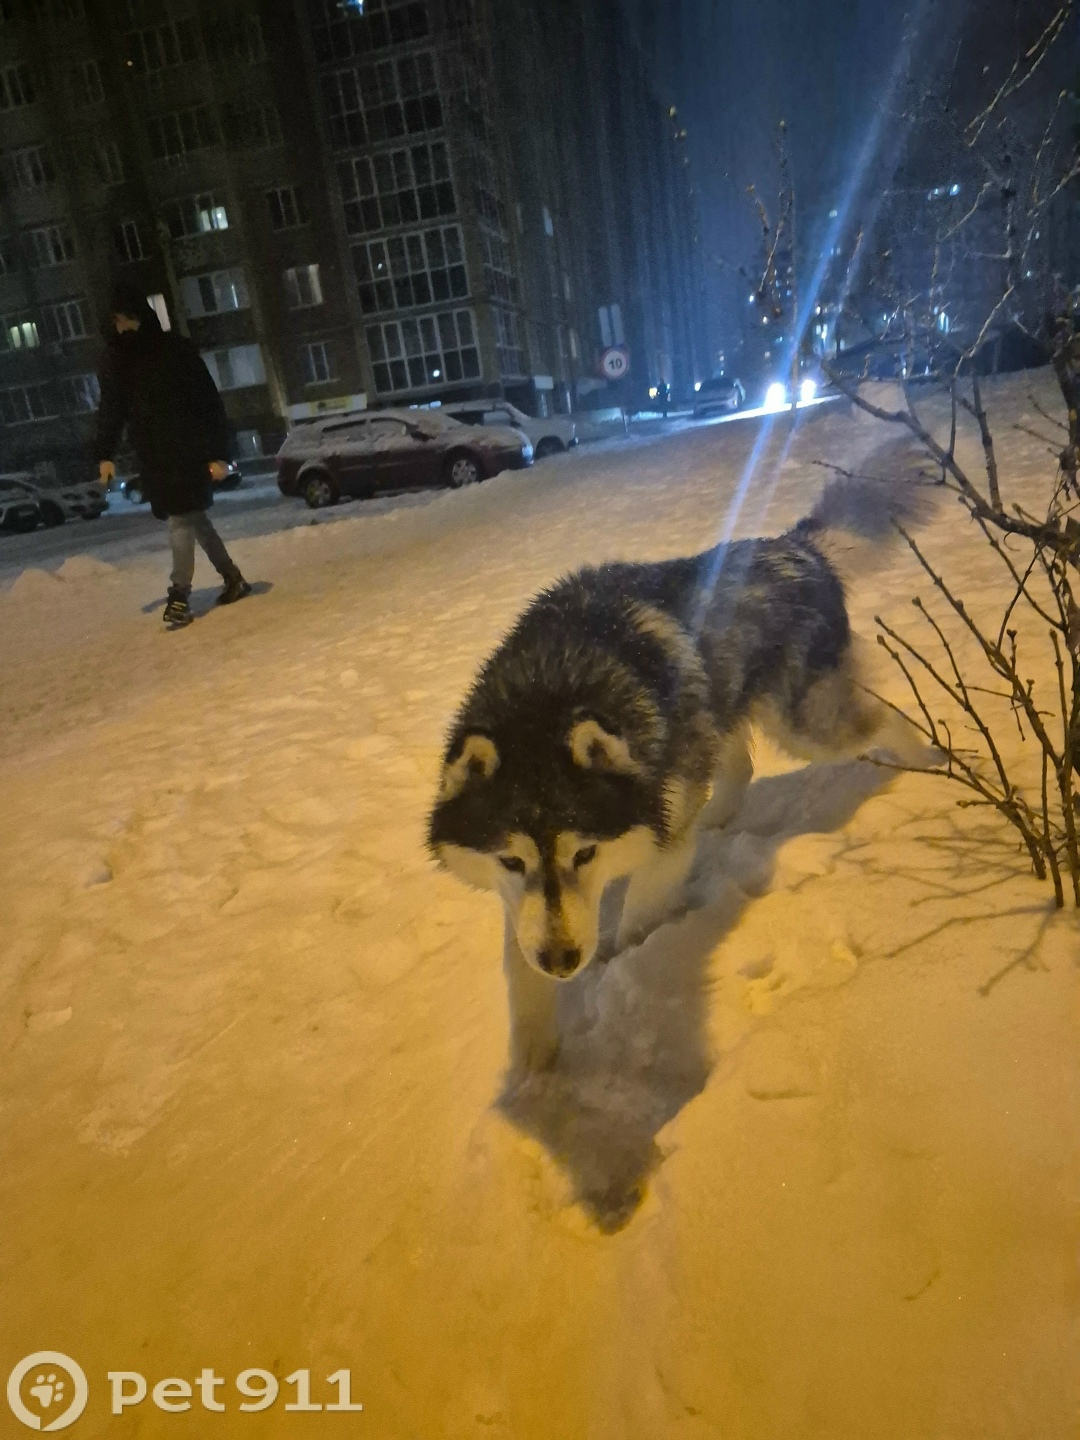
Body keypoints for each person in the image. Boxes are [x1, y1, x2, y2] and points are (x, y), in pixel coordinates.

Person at [95, 284, 251, 626]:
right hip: (153, 456)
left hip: (187, 450)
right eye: (116, 321)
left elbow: (207, 402)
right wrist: (104, 453)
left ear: (139, 316)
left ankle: (179, 596)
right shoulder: (116, 360)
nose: (121, 327)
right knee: (193, 518)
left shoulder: (173, 350)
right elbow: (111, 409)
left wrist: (218, 453)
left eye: (126, 318)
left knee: (180, 519)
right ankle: (233, 578)